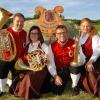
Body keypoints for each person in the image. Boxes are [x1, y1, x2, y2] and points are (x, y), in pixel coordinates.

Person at [9, 26, 49, 100]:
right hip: (28, 68)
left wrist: (46, 58)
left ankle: (28, 94)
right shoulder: (27, 46)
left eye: (36, 33)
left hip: (40, 70)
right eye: (32, 33)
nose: (33, 35)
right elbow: (23, 60)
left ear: (39, 35)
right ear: (29, 35)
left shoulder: (44, 46)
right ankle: (22, 91)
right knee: (21, 75)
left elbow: (48, 59)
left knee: (29, 76)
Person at [47, 25, 85, 96]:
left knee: (75, 66)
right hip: (61, 70)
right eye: (59, 33)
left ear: (67, 33)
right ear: (56, 35)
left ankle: (75, 85)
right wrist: (55, 76)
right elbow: (50, 63)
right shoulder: (51, 46)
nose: (62, 35)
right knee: (57, 91)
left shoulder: (75, 42)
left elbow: (83, 58)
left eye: (64, 32)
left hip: (74, 68)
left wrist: (79, 57)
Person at [0, 13, 27, 96]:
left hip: (18, 61)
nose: (20, 23)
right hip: (7, 59)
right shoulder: (5, 31)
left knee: (17, 91)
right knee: (3, 68)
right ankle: (2, 90)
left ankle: (10, 82)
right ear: (13, 21)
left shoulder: (25, 33)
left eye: (22, 21)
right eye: (17, 21)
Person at [79, 18, 100, 96]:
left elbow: (97, 50)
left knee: (91, 70)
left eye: (87, 26)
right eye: (83, 26)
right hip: (83, 60)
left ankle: (97, 90)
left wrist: (90, 61)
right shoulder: (80, 36)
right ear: (80, 27)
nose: (85, 28)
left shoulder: (94, 36)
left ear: (91, 26)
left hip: (94, 59)